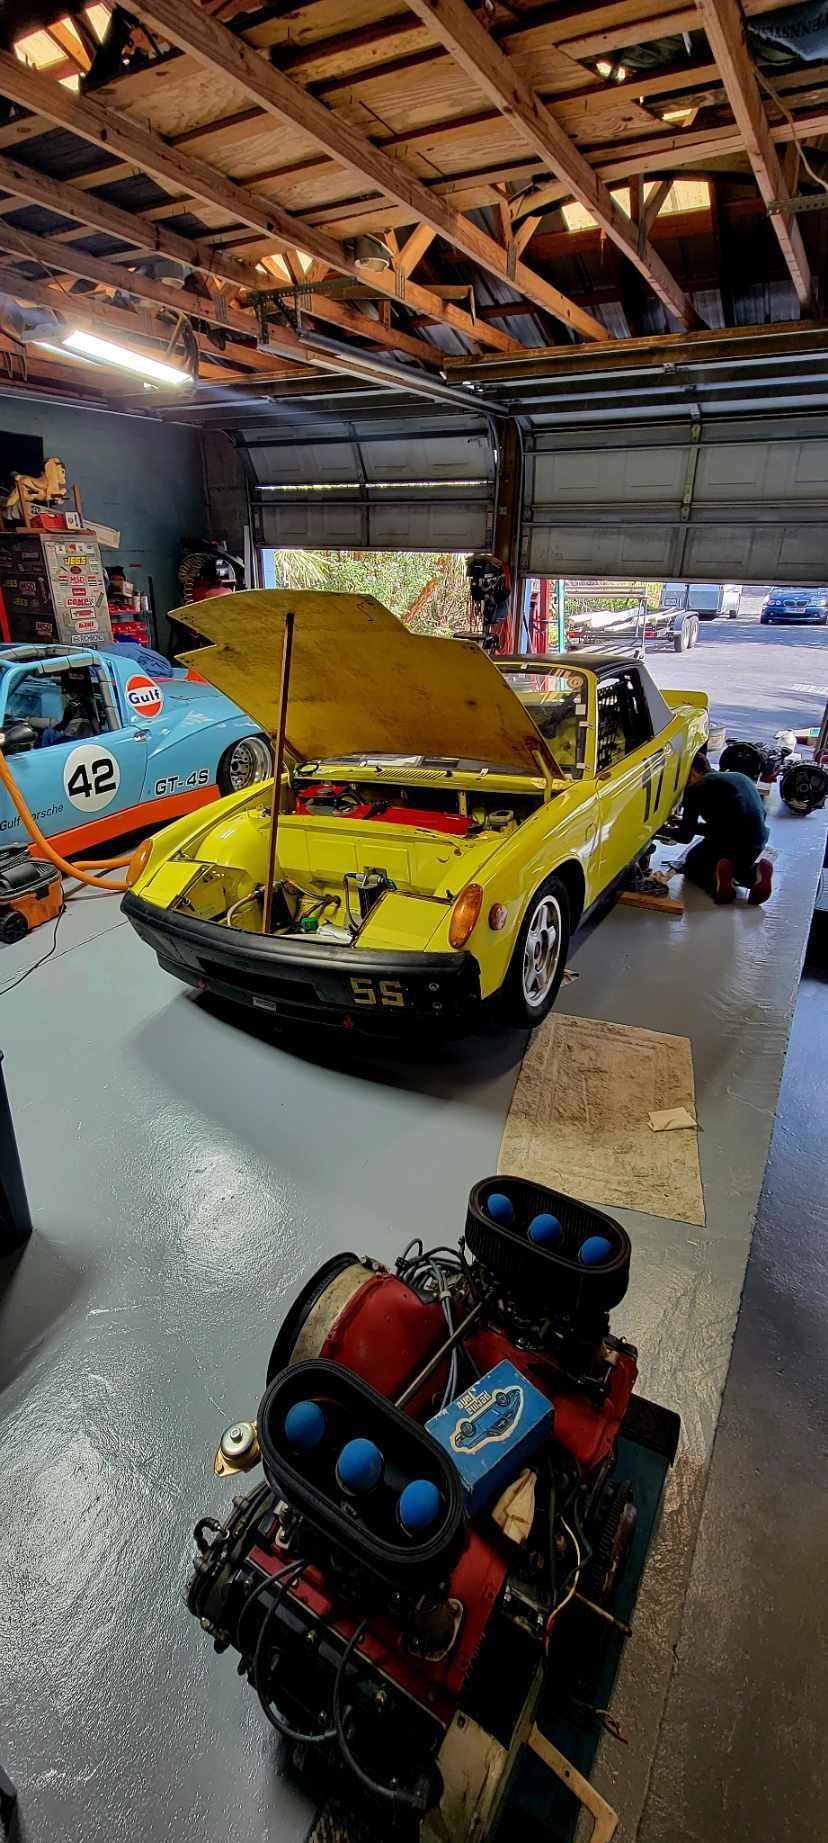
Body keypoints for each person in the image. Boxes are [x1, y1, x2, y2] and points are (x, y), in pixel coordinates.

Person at [672, 751, 773, 905]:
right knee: (738, 868)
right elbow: (728, 823)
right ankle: (756, 873)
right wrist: (683, 823)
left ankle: (717, 886)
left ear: (691, 771)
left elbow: (685, 837)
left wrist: (659, 829)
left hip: (730, 841)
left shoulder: (696, 788)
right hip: (757, 841)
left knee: (692, 863)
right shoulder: (739, 777)